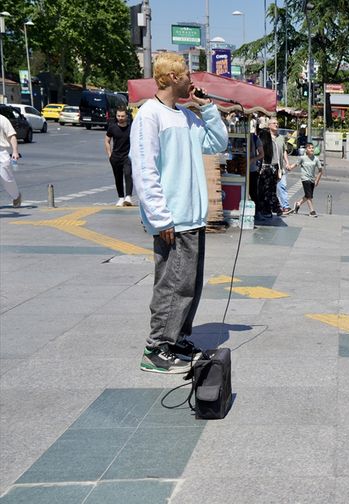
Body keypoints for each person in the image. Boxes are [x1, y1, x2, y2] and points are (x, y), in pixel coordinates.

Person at [131, 52, 228, 374]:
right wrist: (160, 217)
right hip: (172, 218)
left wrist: (208, 108)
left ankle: (178, 339)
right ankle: (156, 347)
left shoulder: (186, 117)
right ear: (172, 77)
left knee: (189, 285)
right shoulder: (149, 116)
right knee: (172, 285)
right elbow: (144, 170)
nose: (191, 80)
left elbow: (216, 143)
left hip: (193, 216)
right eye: (187, 75)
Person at [104, 108, 134, 207]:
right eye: (118, 116)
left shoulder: (131, 128)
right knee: (118, 177)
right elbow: (107, 140)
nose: (120, 118)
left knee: (128, 173)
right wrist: (110, 154)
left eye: (122, 116)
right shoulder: (112, 127)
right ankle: (121, 198)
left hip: (127, 156)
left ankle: (128, 197)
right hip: (115, 157)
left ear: (126, 116)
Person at [256, 118, 282, 218]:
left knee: (264, 191)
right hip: (274, 169)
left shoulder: (262, 144)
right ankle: (273, 208)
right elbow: (278, 159)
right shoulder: (273, 144)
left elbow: (260, 157)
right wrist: (279, 170)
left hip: (265, 170)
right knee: (271, 190)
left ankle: (270, 209)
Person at [291, 142, 324, 217]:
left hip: (312, 179)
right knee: (309, 196)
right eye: (309, 148)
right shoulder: (302, 158)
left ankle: (298, 204)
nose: (311, 149)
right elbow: (296, 164)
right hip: (305, 178)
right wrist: (290, 167)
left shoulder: (316, 159)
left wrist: (317, 181)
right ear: (306, 150)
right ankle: (312, 211)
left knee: (308, 195)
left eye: (312, 148)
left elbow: (320, 171)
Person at [0, 113, 22, 208]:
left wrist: (15, 152)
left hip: (1, 152)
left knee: (6, 178)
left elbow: (11, 135)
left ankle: (16, 196)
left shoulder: (2, 119)